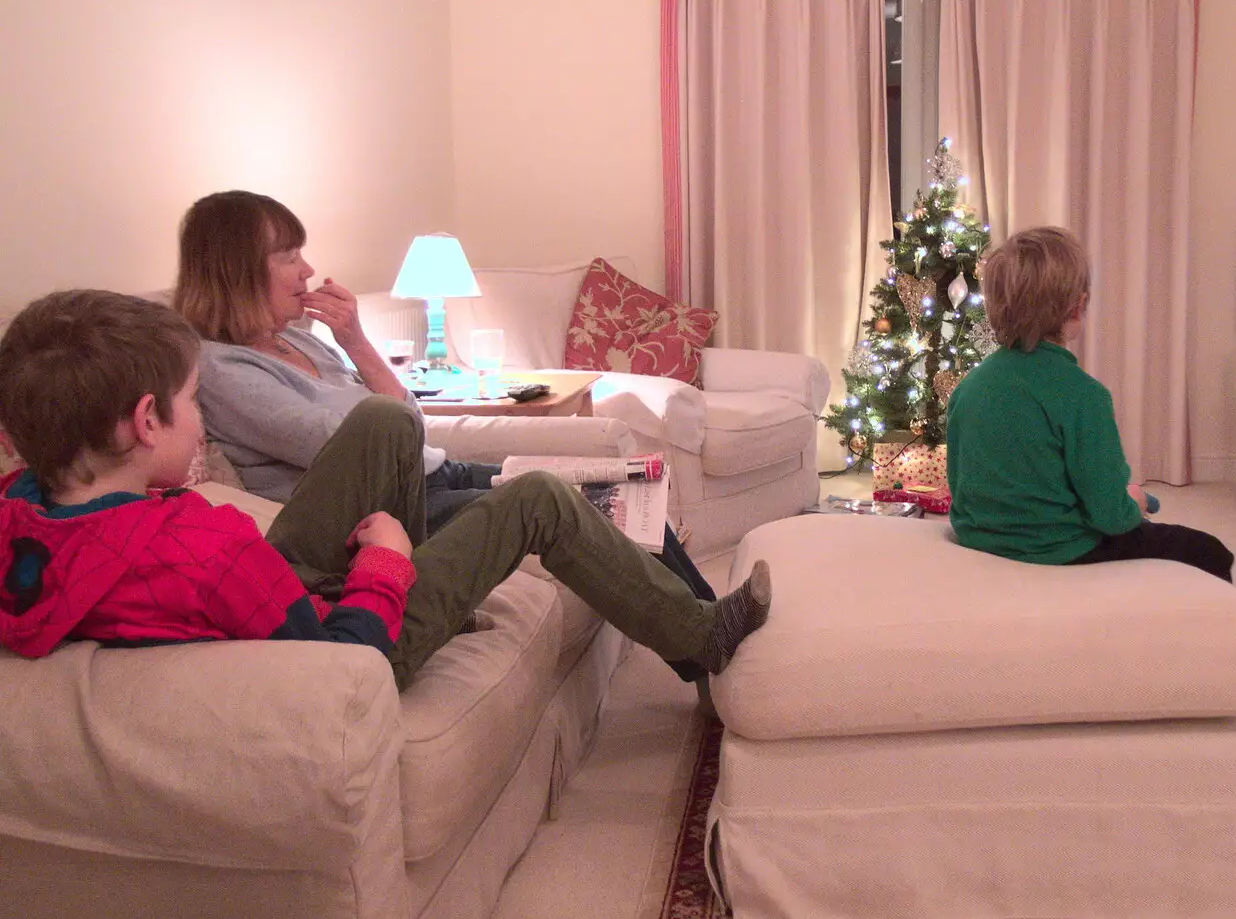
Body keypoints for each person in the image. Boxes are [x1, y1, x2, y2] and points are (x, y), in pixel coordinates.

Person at [0, 290, 770, 690]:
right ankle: (701, 637)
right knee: (537, 497)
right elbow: (340, 663)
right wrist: (387, 566)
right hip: (355, 643)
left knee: (381, 421)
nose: (202, 419)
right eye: (193, 400)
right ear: (145, 422)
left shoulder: (22, 511)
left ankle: (452, 587)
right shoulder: (208, 547)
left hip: (262, 601)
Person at [172, 191, 724, 684]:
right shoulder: (223, 369)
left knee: (619, 489)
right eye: (289, 255)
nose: (308, 269)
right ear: (239, 271)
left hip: (434, 472)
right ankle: (710, 650)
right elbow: (352, 441)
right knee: (567, 501)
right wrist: (391, 412)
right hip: (384, 511)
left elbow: (409, 417)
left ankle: (709, 636)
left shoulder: (306, 343)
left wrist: (356, 342)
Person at [946, 226, 1234, 581]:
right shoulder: (1083, 395)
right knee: (1210, 551)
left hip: (981, 539)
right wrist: (1137, 502)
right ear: (1078, 307)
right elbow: (1112, 517)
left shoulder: (970, 387)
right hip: (1061, 549)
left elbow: (960, 483)